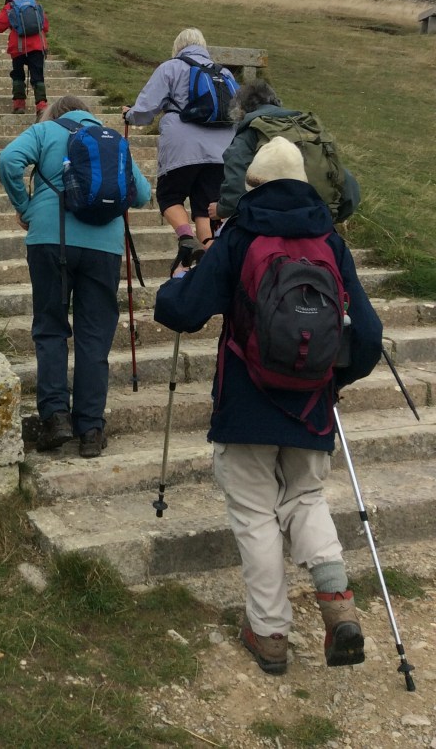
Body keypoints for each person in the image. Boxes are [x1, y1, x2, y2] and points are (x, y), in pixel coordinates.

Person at [154, 136, 383, 676]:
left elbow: (183, 313)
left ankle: (270, 633)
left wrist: (177, 280)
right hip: (311, 405)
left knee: (256, 515)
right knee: (306, 498)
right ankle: (338, 607)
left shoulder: (239, 235)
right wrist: (332, 378)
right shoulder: (330, 239)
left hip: (246, 399)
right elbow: (369, 335)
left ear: (251, 183)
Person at [0, 95, 151, 457]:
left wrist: (25, 207)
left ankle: (55, 418)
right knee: (94, 336)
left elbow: (8, 161)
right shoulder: (113, 140)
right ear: (88, 114)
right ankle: (91, 430)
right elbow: (142, 195)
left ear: (55, 114)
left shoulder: (44, 131)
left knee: (51, 327)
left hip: (50, 241)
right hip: (105, 249)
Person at [122, 28, 236, 265]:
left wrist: (130, 116)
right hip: (222, 151)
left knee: (170, 195)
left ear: (178, 47)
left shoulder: (171, 67)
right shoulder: (224, 73)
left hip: (183, 147)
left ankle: (186, 238)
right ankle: (209, 256)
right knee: (207, 208)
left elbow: (146, 110)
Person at [208, 79, 361, 223]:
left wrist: (222, 209)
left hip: (273, 220)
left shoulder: (250, 132)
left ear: (239, 111)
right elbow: (344, 179)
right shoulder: (309, 126)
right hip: (321, 216)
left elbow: (237, 181)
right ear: (277, 102)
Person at [0, 0, 50, 118]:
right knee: (38, 75)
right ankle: (42, 106)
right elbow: (45, 26)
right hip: (38, 45)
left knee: (18, 75)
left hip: (19, 47)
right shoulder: (34, 4)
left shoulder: (10, 6)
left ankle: (19, 104)